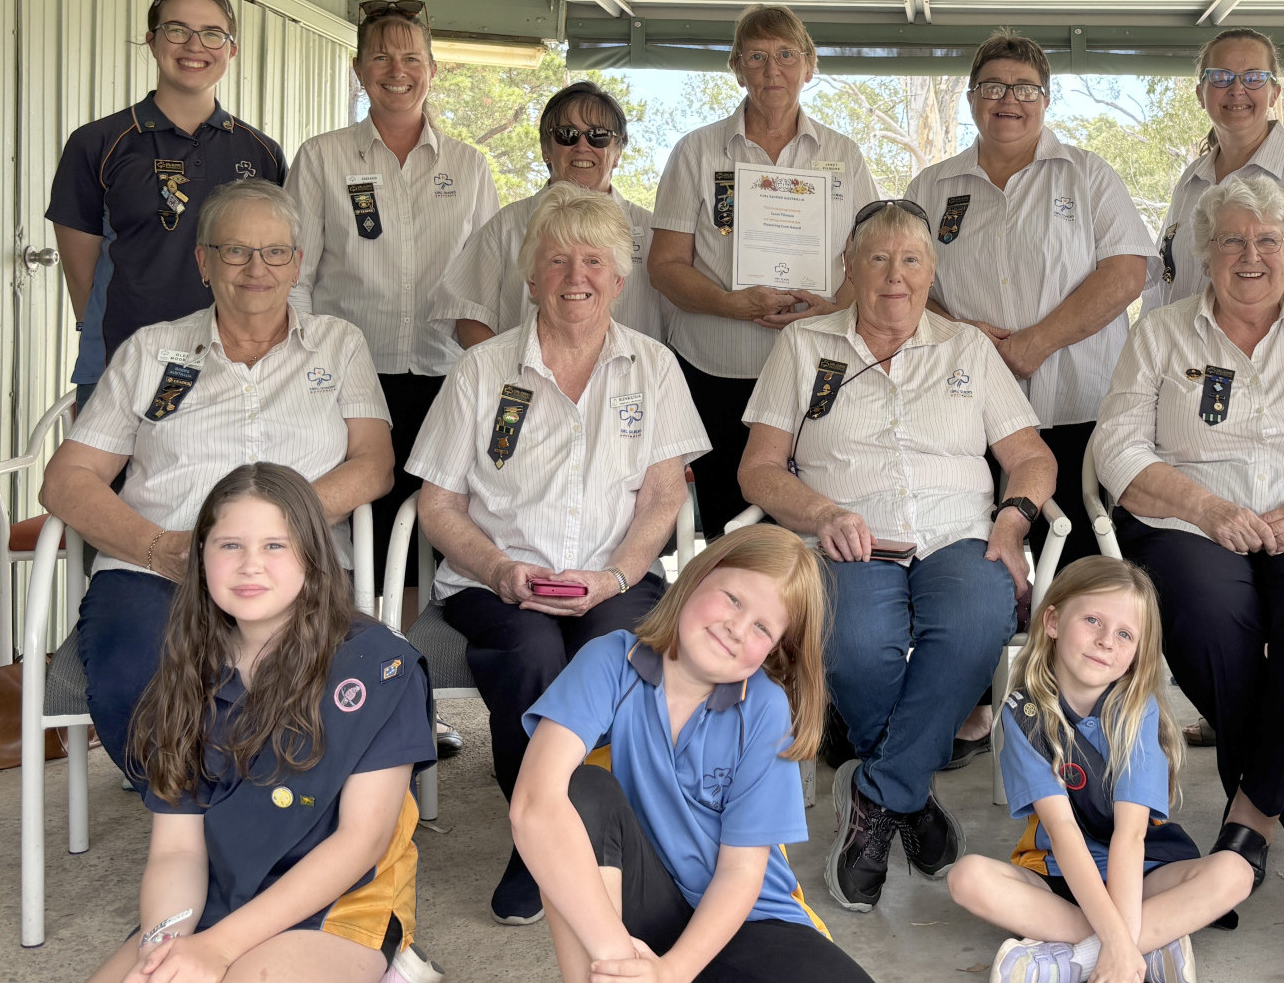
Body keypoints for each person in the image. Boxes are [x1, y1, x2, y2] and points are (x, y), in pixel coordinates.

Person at [739, 198, 1056, 914]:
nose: (894, 276)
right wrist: (822, 512)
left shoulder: (967, 349)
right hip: (852, 539)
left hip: (960, 536)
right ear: (848, 265)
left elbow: (1030, 454)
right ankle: (908, 797)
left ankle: (877, 794)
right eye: (877, 258)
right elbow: (758, 467)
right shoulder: (803, 346)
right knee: (853, 643)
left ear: (931, 269)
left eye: (910, 259)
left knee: (977, 621)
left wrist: (1013, 522)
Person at [407, 182, 710, 927]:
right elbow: (436, 504)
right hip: (497, 578)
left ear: (619, 275)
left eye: (594, 260)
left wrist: (615, 573)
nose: (576, 275)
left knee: (617, 646)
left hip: (613, 576)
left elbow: (664, 495)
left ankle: (587, 828)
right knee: (535, 656)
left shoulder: (654, 365)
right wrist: (503, 571)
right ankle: (537, 836)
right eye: (557, 259)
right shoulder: (481, 371)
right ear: (530, 274)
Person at [1091, 175, 1284, 890]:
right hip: (1190, 523)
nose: (1250, 255)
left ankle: (1248, 819)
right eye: (1232, 239)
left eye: (1267, 240)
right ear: (1206, 252)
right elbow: (1117, 447)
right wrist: (1205, 508)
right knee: (1206, 616)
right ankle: (1278, 792)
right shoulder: (1161, 334)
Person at [38, 180, 393, 775]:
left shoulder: (338, 346)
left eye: (275, 252)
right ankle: (193, 807)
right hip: (161, 569)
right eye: (235, 251)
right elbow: (67, 480)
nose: (257, 268)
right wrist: (161, 549)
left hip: (298, 566)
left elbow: (373, 463)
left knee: (322, 681)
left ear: (296, 264)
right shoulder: (151, 351)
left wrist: (277, 528)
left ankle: (261, 816)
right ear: (204, 261)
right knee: (136, 669)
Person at [87, 463, 434, 983]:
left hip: (341, 907)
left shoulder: (379, 665)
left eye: (276, 545)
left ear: (314, 559)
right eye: (229, 545)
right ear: (200, 559)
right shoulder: (184, 671)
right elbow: (176, 849)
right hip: (222, 899)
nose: (251, 565)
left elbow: (359, 843)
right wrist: (166, 947)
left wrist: (220, 949)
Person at [510, 524, 876, 983]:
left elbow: (742, 873)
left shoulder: (764, 707)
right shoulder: (609, 661)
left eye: (763, 626)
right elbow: (532, 806)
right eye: (733, 599)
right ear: (698, 575)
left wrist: (671, 974)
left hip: (744, 921)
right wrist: (618, 956)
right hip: (638, 910)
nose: (736, 628)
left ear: (776, 649)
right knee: (578, 793)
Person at [906, 31, 1153, 565]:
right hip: (966, 415)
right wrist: (964, 336)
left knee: (1079, 568)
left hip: (1077, 406)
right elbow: (904, 288)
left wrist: (1034, 343)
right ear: (971, 98)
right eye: (993, 87)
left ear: (1046, 99)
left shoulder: (1088, 175)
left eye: (1025, 89)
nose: (1008, 101)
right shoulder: (929, 188)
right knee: (982, 562)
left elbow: (1127, 272)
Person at [946, 556, 1252, 983]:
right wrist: (1120, 940)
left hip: (1144, 871)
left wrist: (1116, 941)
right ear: (1052, 620)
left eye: (1125, 633)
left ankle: (1079, 958)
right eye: (1092, 620)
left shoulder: (1135, 710)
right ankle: (1148, 944)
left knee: (1235, 872)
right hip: (1058, 874)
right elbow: (1065, 834)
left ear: (1137, 652)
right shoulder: (1024, 714)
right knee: (967, 878)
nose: (1107, 640)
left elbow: (1130, 836)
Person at [288, 0, 498, 605]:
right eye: (381, 56)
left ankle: (409, 659)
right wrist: (304, 359)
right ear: (359, 70)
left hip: (442, 374)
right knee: (351, 522)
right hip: (347, 374)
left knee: (428, 521)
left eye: (412, 57)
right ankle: (347, 646)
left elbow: (483, 280)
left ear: (433, 70)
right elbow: (294, 271)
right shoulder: (322, 157)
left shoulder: (469, 165)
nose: (396, 69)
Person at [650, 5, 881, 533]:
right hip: (715, 370)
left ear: (809, 66)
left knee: (816, 523)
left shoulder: (843, 155)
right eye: (756, 57)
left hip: (816, 371)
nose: (771, 69)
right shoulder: (696, 151)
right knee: (733, 529)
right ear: (736, 68)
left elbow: (868, 258)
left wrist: (836, 307)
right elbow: (664, 266)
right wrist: (732, 303)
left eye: (785, 55)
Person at [48, 0, 286, 405]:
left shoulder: (262, 153)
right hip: (123, 367)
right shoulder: (99, 143)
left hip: (236, 370)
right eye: (177, 30)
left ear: (232, 50)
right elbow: (82, 280)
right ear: (152, 41)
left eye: (213, 34)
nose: (195, 46)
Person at [1143, 28, 1284, 352]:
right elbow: (1164, 290)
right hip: (1186, 380)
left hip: (1282, 384)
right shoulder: (1190, 180)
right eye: (1222, 77)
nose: (1237, 89)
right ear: (1201, 93)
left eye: (1253, 77)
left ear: (1274, 93)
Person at [431, 80, 670, 348]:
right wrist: (504, 381)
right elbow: (469, 313)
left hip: (630, 385)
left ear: (617, 154)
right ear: (546, 149)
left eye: (598, 135)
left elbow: (677, 325)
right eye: (566, 134)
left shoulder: (653, 233)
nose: (582, 146)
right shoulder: (506, 225)